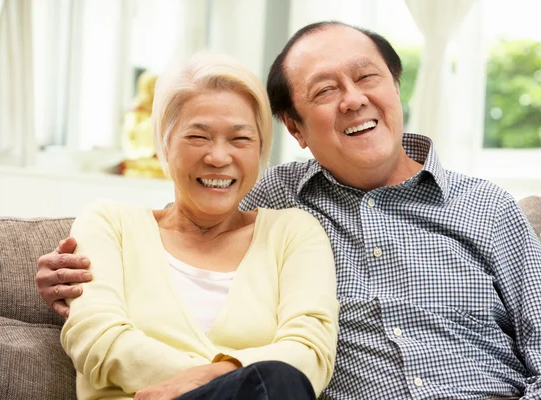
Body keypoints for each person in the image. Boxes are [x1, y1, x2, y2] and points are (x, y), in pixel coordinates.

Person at [36, 21, 541, 400]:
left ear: (396, 88)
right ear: (295, 130)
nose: (353, 98)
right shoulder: (275, 202)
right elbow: (192, 215)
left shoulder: (488, 210)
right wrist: (80, 271)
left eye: (367, 76)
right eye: (324, 90)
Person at [49, 51, 339, 400]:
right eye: (198, 137)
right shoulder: (110, 224)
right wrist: (234, 381)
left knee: (279, 380)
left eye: (240, 139)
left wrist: (213, 378)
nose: (218, 157)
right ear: (164, 145)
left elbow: (310, 353)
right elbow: (97, 339)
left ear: (261, 149)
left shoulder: (294, 232)